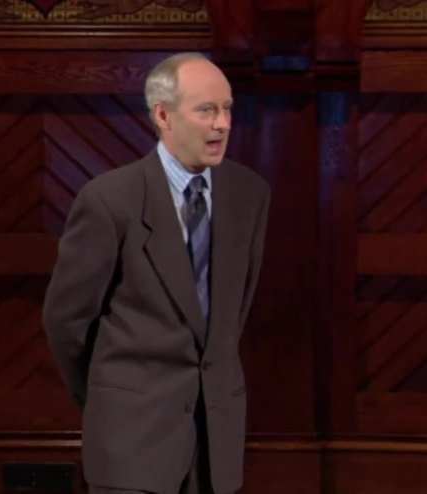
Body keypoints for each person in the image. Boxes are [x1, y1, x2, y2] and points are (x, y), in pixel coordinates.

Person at [43, 52, 270, 494]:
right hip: (131, 445)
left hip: (215, 448)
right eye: (207, 110)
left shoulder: (249, 194)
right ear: (163, 116)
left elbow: (233, 314)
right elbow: (67, 322)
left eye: (227, 109)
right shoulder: (110, 200)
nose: (223, 124)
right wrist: (112, 398)